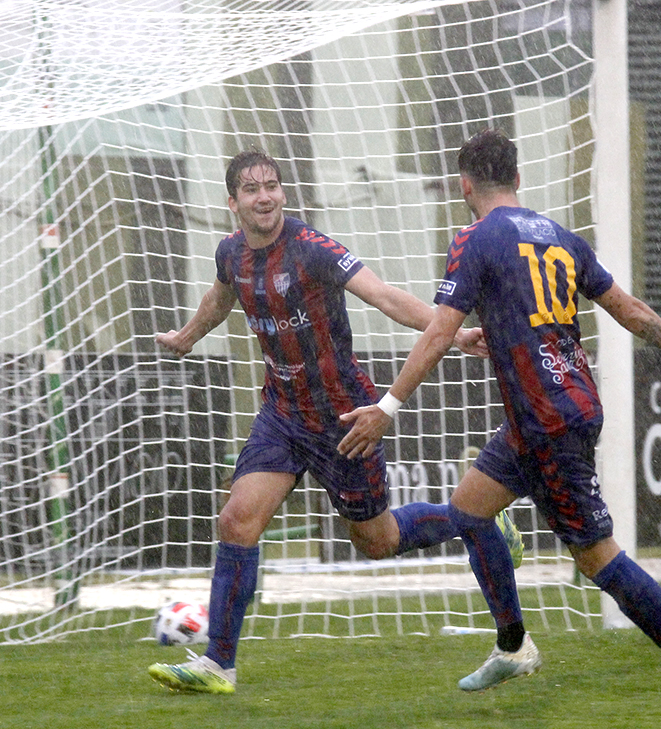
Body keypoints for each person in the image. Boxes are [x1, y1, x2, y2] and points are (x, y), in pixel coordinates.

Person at [338, 128, 661, 717]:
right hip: (553, 412)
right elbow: (629, 310)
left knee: (596, 558)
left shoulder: (475, 239)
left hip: (549, 423)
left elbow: (440, 332)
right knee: (469, 509)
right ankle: (513, 644)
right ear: (518, 178)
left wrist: (387, 406)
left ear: (465, 186)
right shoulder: (563, 238)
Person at [148, 147, 522, 694]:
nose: (265, 197)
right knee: (236, 520)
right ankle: (218, 666)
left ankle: (472, 518)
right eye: (251, 189)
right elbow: (221, 297)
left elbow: (384, 296)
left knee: (376, 539)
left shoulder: (311, 248)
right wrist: (186, 337)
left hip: (343, 418)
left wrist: (457, 334)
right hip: (282, 414)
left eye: (272, 186)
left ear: (282, 193)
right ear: (233, 203)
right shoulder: (230, 253)